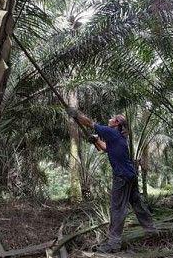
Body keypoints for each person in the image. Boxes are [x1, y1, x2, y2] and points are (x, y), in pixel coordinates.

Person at [66, 107, 156, 253]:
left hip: (121, 177)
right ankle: (151, 230)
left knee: (117, 209)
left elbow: (89, 123)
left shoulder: (111, 132)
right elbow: (105, 148)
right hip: (130, 175)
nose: (110, 119)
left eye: (113, 118)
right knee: (137, 204)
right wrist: (95, 141)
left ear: (116, 123)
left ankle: (113, 243)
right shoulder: (118, 137)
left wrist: (76, 115)